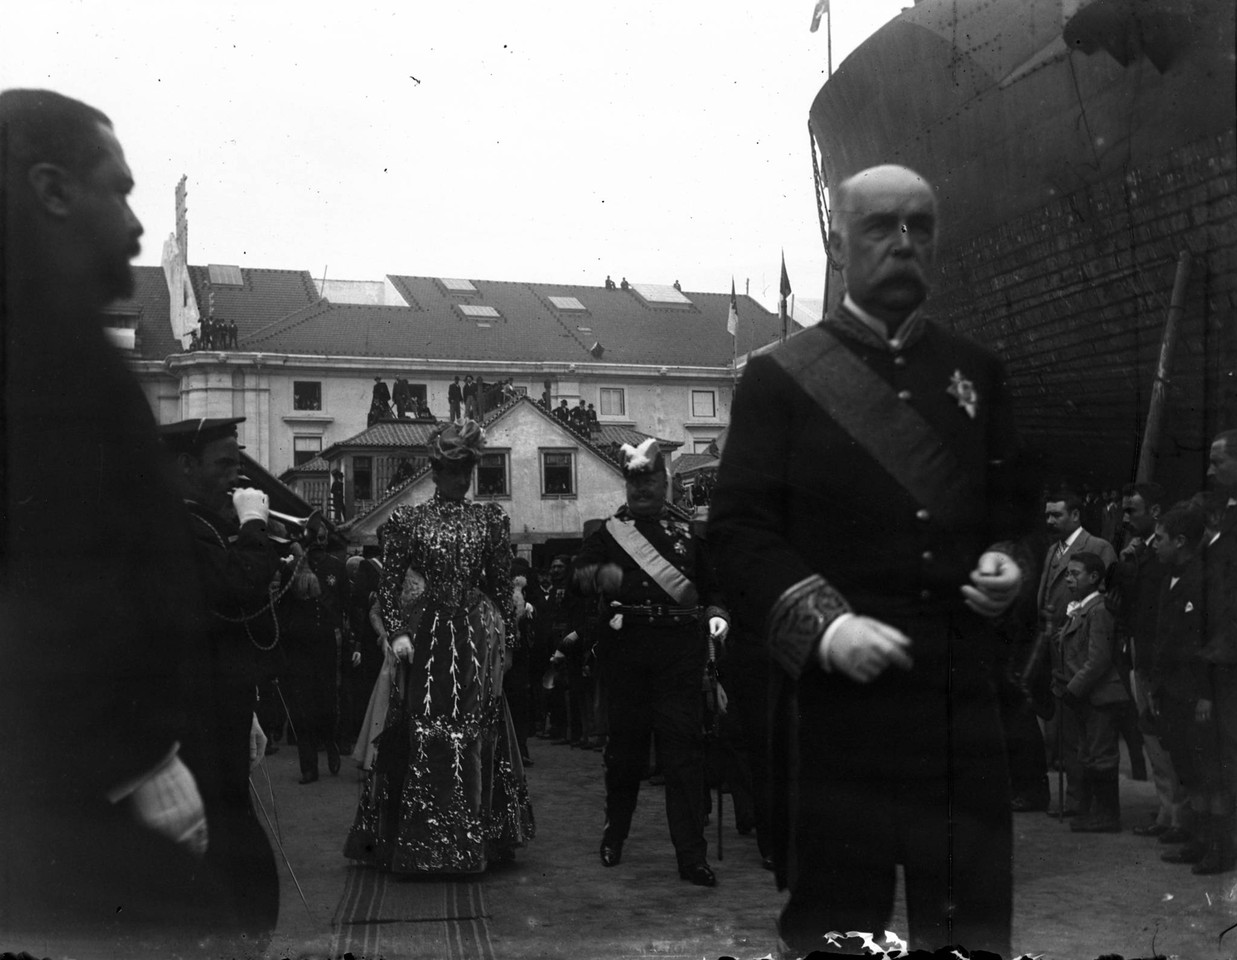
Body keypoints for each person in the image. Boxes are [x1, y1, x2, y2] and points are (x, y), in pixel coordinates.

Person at [707, 164, 1038, 955]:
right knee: (838, 925)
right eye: (879, 227)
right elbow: (737, 534)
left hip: (958, 701)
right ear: (837, 244)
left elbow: (1016, 513)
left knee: (970, 920)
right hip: (836, 705)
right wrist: (824, 627)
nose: (902, 243)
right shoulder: (778, 380)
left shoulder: (977, 373)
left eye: (919, 226)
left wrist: (1009, 561)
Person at [1, 87, 238, 953]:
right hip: (89, 815)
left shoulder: (60, 340)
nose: (139, 226)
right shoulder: (45, 360)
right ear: (55, 190)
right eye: (120, 188)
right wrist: (133, 768)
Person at [344, 420, 534, 872]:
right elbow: (388, 589)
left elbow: (500, 584)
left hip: (475, 638)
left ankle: (478, 838)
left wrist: (506, 641)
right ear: (436, 470)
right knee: (422, 729)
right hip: (428, 638)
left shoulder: (487, 520)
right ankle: (420, 842)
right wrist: (398, 633)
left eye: (467, 468)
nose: (461, 478)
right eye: (452, 469)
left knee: (476, 730)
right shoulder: (411, 521)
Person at [572, 438, 730, 887]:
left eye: (650, 481)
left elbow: (713, 589)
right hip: (629, 655)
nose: (642, 489)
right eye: (634, 481)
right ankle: (614, 837)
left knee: (683, 755)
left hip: (679, 654)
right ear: (627, 485)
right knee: (625, 756)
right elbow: (574, 580)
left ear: (665, 483)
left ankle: (691, 857)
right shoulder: (607, 535)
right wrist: (599, 576)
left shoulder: (688, 536)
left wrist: (718, 615)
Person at [160, 416, 282, 939]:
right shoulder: (179, 525)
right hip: (194, 709)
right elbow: (235, 588)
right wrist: (254, 528)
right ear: (187, 465)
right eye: (224, 463)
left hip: (218, 700)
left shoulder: (199, 523)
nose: (236, 475)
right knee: (225, 830)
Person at [1152, 501, 1234, 872]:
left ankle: (1220, 847)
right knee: (1189, 768)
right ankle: (1200, 839)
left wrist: (1205, 693)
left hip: (1195, 692)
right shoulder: (1168, 576)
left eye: (1160, 538)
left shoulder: (1203, 580)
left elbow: (1211, 641)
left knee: (1210, 772)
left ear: (1180, 541)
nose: (1154, 544)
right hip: (1171, 690)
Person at [1052, 552, 1128, 832]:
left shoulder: (1098, 610)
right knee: (1089, 753)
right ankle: (1096, 810)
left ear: (1094, 577)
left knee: (1101, 754)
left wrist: (1073, 689)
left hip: (1100, 696)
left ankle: (1108, 816)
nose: (1069, 579)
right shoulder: (1081, 608)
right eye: (1068, 574)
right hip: (1085, 695)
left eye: (1075, 574)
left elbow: (1098, 659)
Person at [281, 518, 351, 783]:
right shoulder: (292, 570)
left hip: (326, 644)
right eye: (314, 538)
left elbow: (345, 605)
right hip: (299, 647)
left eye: (323, 538)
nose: (319, 543)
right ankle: (308, 766)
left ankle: (330, 742)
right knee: (302, 707)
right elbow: (284, 610)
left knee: (327, 703)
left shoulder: (337, 567)